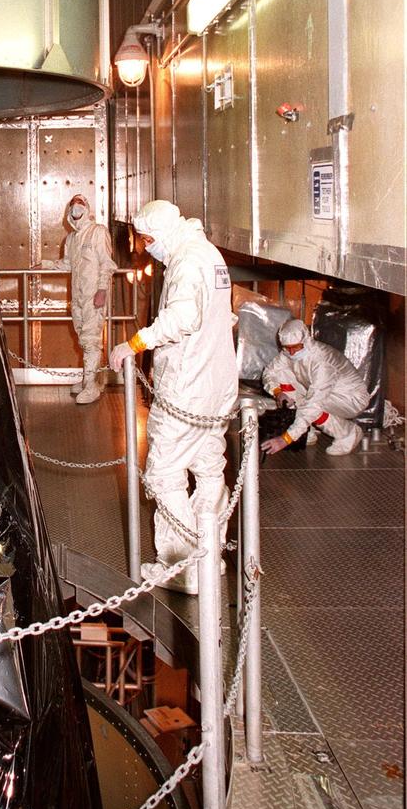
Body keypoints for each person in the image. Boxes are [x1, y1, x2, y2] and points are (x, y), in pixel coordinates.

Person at [109, 200, 236, 594]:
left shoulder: (185, 261)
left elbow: (183, 318)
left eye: (147, 239)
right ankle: (208, 557)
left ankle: (183, 567)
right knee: (209, 470)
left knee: (164, 475)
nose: (147, 248)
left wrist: (134, 343)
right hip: (216, 387)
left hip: (187, 388)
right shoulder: (209, 254)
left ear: (160, 233)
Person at [43, 194, 116, 405]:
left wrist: (102, 290)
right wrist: (46, 265)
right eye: (73, 204)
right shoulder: (72, 239)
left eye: (81, 203)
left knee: (91, 339)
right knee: (82, 336)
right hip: (78, 296)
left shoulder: (98, 232)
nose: (76, 207)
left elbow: (107, 264)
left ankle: (92, 386)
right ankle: (88, 380)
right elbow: (68, 264)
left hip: (94, 295)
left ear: (87, 208)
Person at [260, 318, 370, 456]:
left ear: (306, 340)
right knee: (282, 372)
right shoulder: (288, 354)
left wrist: (286, 439)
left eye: (296, 347)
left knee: (310, 408)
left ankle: (348, 433)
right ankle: (305, 431)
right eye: (288, 348)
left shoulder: (321, 361)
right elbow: (269, 373)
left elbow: (313, 403)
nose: (292, 352)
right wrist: (277, 392)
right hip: (321, 393)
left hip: (351, 399)